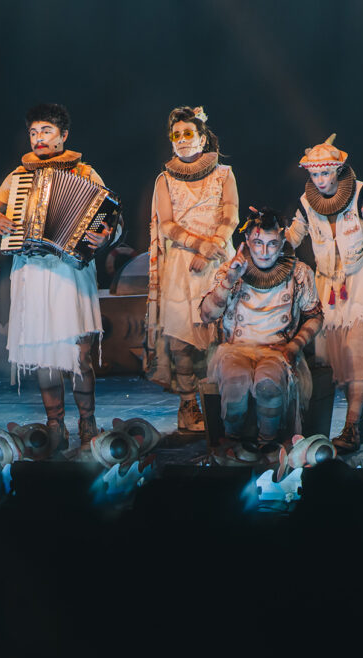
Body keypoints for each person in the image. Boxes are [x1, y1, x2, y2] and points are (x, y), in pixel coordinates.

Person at [0, 103, 116, 450]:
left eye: (47, 132)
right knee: (44, 351)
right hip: (33, 272)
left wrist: (106, 237)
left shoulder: (85, 172)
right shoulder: (17, 177)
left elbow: (111, 217)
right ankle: (55, 423)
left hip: (71, 272)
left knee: (78, 354)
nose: (39, 139)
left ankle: (88, 423)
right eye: (34, 132)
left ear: (63, 136)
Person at [285, 135, 363, 454]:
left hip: (361, 281)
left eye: (325, 174)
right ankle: (360, 420)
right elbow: (293, 236)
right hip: (328, 286)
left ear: (337, 171)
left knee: (358, 356)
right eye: (315, 175)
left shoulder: (361, 192)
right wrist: (272, 236)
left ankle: (350, 428)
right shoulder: (307, 203)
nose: (320, 180)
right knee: (339, 362)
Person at [199, 208, 323, 459]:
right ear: (246, 242)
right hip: (236, 349)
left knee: (268, 383)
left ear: (282, 242)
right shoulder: (229, 271)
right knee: (236, 381)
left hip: (277, 350)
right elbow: (207, 315)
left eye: (272, 244)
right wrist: (229, 281)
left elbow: (315, 315)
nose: (265, 252)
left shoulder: (299, 273)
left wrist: (295, 345)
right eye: (258, 243)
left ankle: (268, 443)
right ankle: (233, 442)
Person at [146, 106, 239, 432]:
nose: (183, 140)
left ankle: (221, 406)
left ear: (202, 138)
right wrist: (199, 246)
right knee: (181, 341)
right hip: (182, 267)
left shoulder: (224, 174)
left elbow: (231, 217)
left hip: (217, 264)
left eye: (189, 134)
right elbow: (167, 224)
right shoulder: (165, 179)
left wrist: (213, 245)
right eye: (177, 135)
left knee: (218, 339)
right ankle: (189, 407)